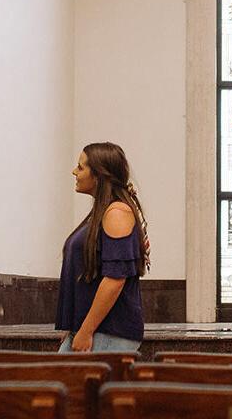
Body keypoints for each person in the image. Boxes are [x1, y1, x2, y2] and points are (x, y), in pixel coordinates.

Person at [56, 141, 150, 352]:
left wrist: (86, 330)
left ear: (99, 175)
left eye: (81, 167)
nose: (74, 172)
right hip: (93, 330)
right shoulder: (103, 211)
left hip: (108, 331)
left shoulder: (117, 213)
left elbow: (115, 279)